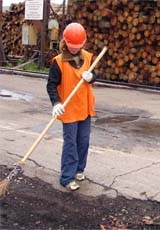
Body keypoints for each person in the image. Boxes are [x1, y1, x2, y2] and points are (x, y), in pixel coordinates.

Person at [47, 22, 102, 191]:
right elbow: (51, 85)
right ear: (65, 42)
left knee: (83, 141)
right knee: (70, 143)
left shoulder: (87, 56)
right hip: (69, 109)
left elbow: (96, 74)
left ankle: (79, 169)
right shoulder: (58, 62)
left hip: (84, 107)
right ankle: (66, 177)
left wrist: (91, 76)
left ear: (82, 44)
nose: (74, 49)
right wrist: (56, 103)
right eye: (71, 46)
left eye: (77, 46)